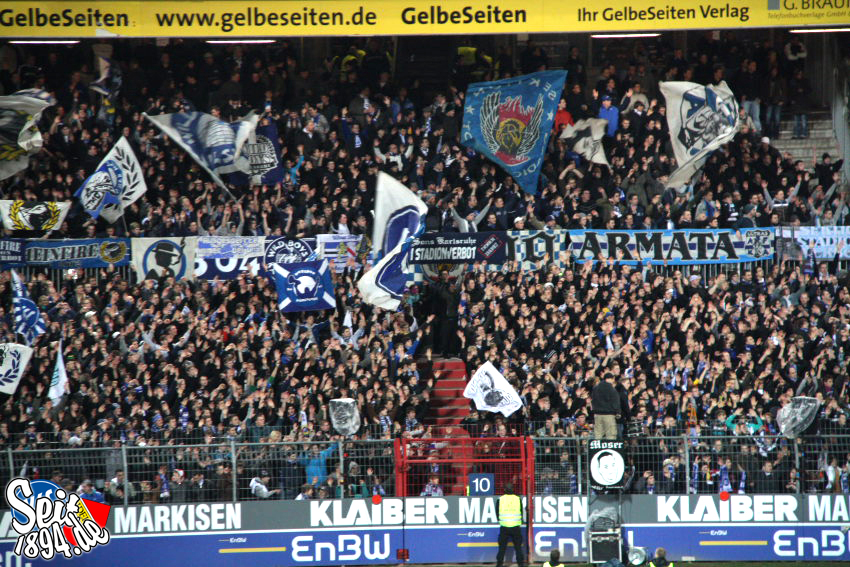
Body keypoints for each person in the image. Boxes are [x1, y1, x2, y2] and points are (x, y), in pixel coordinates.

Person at [496, 483, 525, 567]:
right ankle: (521, 564)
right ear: (513, 489)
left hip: (504, 526)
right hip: (516, 526)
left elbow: (497, 514)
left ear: (504, 490)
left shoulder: (500, 499)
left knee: (502, 548)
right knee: (518, 548)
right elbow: (521, 512)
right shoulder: (518, 499)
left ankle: (499, 564)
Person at [591, 374, 620, 440]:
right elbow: (616, 401)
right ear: (611, 379)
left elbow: (593, 400)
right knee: (610, 436)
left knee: (598, 436)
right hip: (609, 415)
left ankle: (598, 450)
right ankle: (610, 450)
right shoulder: (611, 389)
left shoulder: (595, 388)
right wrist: (618, 412)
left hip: (597, 415)